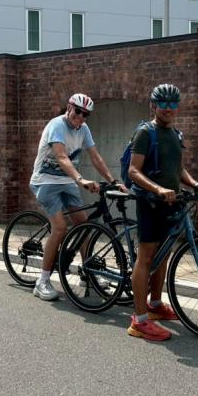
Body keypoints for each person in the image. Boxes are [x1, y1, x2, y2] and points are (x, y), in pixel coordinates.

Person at [126, 84, 198, 341]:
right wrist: (158, 189)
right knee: (147, 257)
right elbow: (133, 171)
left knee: (163, 256)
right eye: (164, 104)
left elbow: (178, 170)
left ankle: (155, 305)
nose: (169, 109)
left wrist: (195, 184)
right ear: (153, 106)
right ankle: (139, 322)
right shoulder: (144, 133)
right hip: (151, 202)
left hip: (172, 203)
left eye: (174, 105)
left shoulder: (176, 135)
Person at [29, 93, 125, 301]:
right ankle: (42, 281)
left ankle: (88, 274)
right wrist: (81, 180)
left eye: (85, 115)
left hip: (66, 182)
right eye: (78, 111)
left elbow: (95, 156)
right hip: (45, 181)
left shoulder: (84, 129)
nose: (81, 117)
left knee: (84, 228)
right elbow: (62, 156)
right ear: (69, 107)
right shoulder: (57, 125)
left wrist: (112, 180)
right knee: (61, 228)